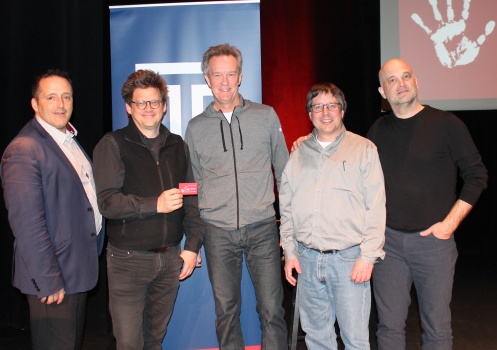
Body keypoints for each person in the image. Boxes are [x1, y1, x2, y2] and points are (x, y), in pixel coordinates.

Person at [367, 58, 488, 349]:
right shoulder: (377, 131)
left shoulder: (447, 124)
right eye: (392, 80)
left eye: (406, 76)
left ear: (416, 81)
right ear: (383, 92)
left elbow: (476, 175)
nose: (401, 84)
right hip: (389, 246)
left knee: (437, 328)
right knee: (389, 328)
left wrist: (449, 224)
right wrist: (309, 141)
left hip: (434, 244)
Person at [184, 43, 289, 349]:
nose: (225, 81)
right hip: (217, 231)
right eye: (217, 75)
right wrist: (195, 235)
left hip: (262, 228)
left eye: (231, 74)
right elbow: (194, 184)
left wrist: (290, 227)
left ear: (241, 76)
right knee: (226, 313)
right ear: (207, 79)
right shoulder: (195, 127)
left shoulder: (266, 116)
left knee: (272, 310)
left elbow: (284, 173)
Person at [93, 70, 205, 350]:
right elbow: (107, 202)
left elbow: (191, 198)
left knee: (154, 340)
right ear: (129, 108)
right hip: (127, 261)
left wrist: (192, 246)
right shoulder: (113, 144)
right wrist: (155, 204)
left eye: (154, 102)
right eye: (141, 103)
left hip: (169, 259)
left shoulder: (177, 145)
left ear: (164, 106)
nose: (148, 109)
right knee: (130, 343)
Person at [1, 69, 103, 350]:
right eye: (51, 97)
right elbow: (27, 225)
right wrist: (48, 281)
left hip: (76, 268)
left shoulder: (67, 139)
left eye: (66, 96)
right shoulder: (25, 149)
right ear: (35, 104)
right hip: (54, 278)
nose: (61, 104)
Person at [280, 83, 386, 349]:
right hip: (306, 258)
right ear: (309, 113)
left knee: (355, 340)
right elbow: (287, 207)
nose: (325, 112)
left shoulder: (364, 150)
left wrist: (368, 256)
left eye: (332, 105)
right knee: (317, 338)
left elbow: (376, 207)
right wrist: (290, 253)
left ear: (342, 110)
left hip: (349, 261)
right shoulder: (298, 154)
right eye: (318, 107)